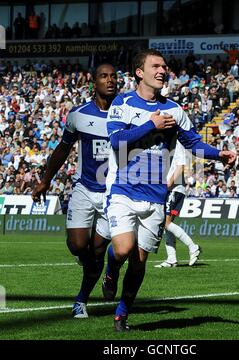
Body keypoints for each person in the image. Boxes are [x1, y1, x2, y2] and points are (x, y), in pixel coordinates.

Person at [102, 49, 236, 332]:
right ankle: (111, 269)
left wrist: (217, 154)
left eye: (165, 66)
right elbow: (117, 142)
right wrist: (150, 124)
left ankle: (121, 314)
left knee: (139, 265)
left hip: (156, 196)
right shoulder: (122, 102)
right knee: (123, 249)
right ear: (140, 72)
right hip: (124, 190)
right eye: (156, 66)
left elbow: (194, 143)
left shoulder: (175, 110)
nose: (163, 70)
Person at [32, 63, 117, 318]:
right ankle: (91, 264)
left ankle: (81, 300)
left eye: (113, 76)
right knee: (79, 246)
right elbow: (62, 149)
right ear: (94, 82)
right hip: (84, 189)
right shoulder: (78, 114)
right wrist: (45, 180)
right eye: (104, 76)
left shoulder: (125, 114)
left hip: (113, 194)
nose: (110, 80)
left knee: (98, 251)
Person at [155, 141, 201, 268]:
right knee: (166, 225)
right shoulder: (166, 145)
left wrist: (167, 185)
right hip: (171, 189)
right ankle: (171, 259)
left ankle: (193, 247)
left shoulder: (177, 144)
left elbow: (180, 167)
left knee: (167, 223)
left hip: (174, 189)